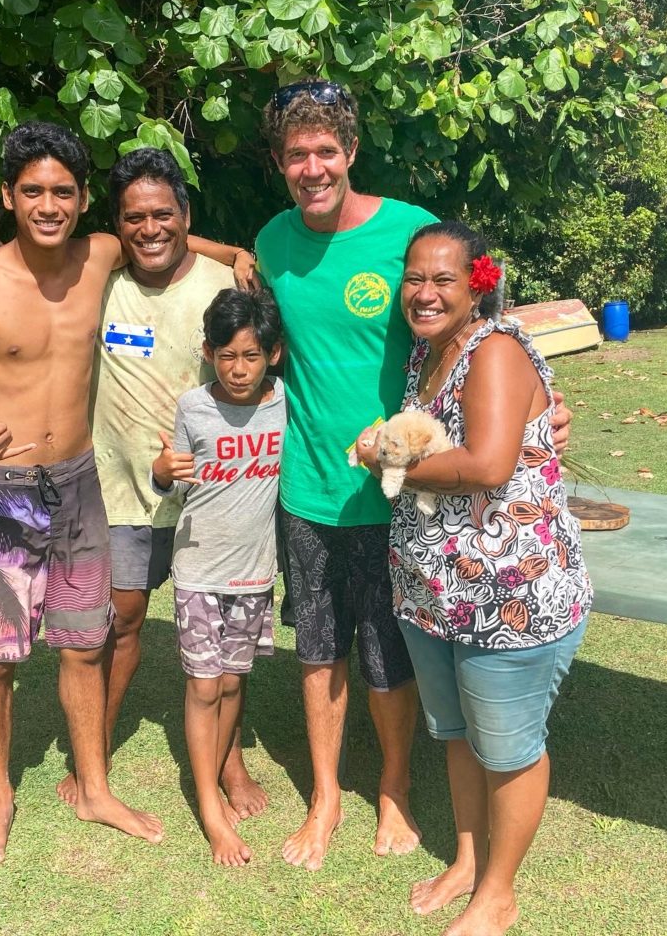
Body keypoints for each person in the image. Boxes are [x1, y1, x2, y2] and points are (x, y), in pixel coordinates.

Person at [254, 78, 574, 871]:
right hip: (309, 488)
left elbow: (475, 304)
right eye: (297, 155)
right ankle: (326, 797)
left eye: (327, 151)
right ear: (278, 163)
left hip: (401, 497)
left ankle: (394, 789)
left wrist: (544, 398)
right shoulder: (269, 244)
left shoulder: (407, 231)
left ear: (351, 151)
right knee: (318, 651)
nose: (314, 168)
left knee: (388, 656)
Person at [0, 146, 269, 820]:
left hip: (211, 495)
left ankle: (230, 761)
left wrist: (232, 249)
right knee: (117, 622)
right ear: (114, 226)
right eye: (134, 219)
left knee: (224, 630)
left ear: (186, 214)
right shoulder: (99, 272)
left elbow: (255, 365)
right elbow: (20, 266)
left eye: (165, 214)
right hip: (113, 490)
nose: (150, 228)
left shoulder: (223, 285)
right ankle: (100, 757)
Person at [0, 121, 165, 863]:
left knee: (85, 647)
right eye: (33, 192)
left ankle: (94, 788)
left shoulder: (103, 257)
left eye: (62, 191)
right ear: (9, 198)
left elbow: (173, 245)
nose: (49, 205)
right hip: (3, 492)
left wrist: (236, 255)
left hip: (79, 487)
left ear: (84, 198)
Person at [355, 221, 592, 936]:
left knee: (508, 746)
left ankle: (499, 893)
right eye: (415, 279)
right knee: (456, 733)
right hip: (436, 594)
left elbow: (488, 466)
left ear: (477, 284)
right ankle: (466, 857)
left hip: (510, 596)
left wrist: (380, 462)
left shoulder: (494, 350)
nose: (424, 294)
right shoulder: (429, 354)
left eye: (443, 280)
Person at [150, 288, 285, 866]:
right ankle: (209, 805)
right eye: (226, 356)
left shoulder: (285, 402)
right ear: (208, 352)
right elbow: (173, 479)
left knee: (232, 683)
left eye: (250, 356)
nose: (238, 369)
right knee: (204, 686)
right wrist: (161, 472)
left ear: (272, 355)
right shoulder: (192, 408)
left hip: (255, 575)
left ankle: (230, 772)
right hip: (200, 571)